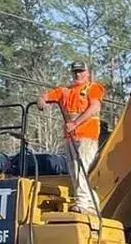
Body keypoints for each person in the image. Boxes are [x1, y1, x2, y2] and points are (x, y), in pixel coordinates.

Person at [42, 62, 105, 213]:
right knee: (73, 169)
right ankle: (92, 202)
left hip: (87, 136)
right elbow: (44, 97)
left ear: (88, 73)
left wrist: (76, 123)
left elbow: (95, 107)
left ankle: (83, 203)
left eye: (81, 71)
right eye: (75, 71)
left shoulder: (93, 88)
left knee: (81, 168)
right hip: (70, 137)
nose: (78, 74)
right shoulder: (65, 91)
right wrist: (42, 102)